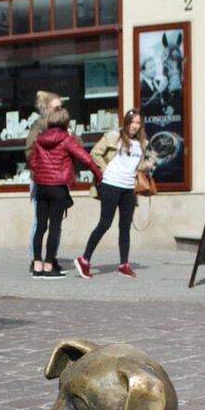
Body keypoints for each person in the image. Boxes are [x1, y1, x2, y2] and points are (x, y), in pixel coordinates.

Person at [75, 109, 154, 279]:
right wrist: (105, 172)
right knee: (105, 223)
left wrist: (146, 166)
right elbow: (95, 153)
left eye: (138, 123)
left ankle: (124, 264)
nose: (134, 126)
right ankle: (84, 259)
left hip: (128, 188)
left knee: (125, 227)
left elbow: (134, 166)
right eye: (132, 122)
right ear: (126, 123)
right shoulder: (113, 137)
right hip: (111, 184)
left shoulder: (141, 143)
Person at [28, 105, 102, 278]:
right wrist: (99, 175)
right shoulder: (67, 140)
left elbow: (32, 163)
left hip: (41, 187)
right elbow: (86, 158)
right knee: (54, 227)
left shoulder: (39, 139)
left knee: (40, 226)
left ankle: (37, 266)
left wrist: (43, 169)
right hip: (58, 188)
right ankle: (49, 267)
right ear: (65, 121)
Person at [24, 91, 64, 274]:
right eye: (57, 107)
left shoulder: (63, 126)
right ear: (47, 108)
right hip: (41, 180)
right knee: (40, 223)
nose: (60, 110)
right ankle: (36, 259)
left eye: (61, 107)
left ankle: (51, 258)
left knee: (57, 223)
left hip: (59, 180)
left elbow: (75, 145)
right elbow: (29, 152)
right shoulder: (39, 126)